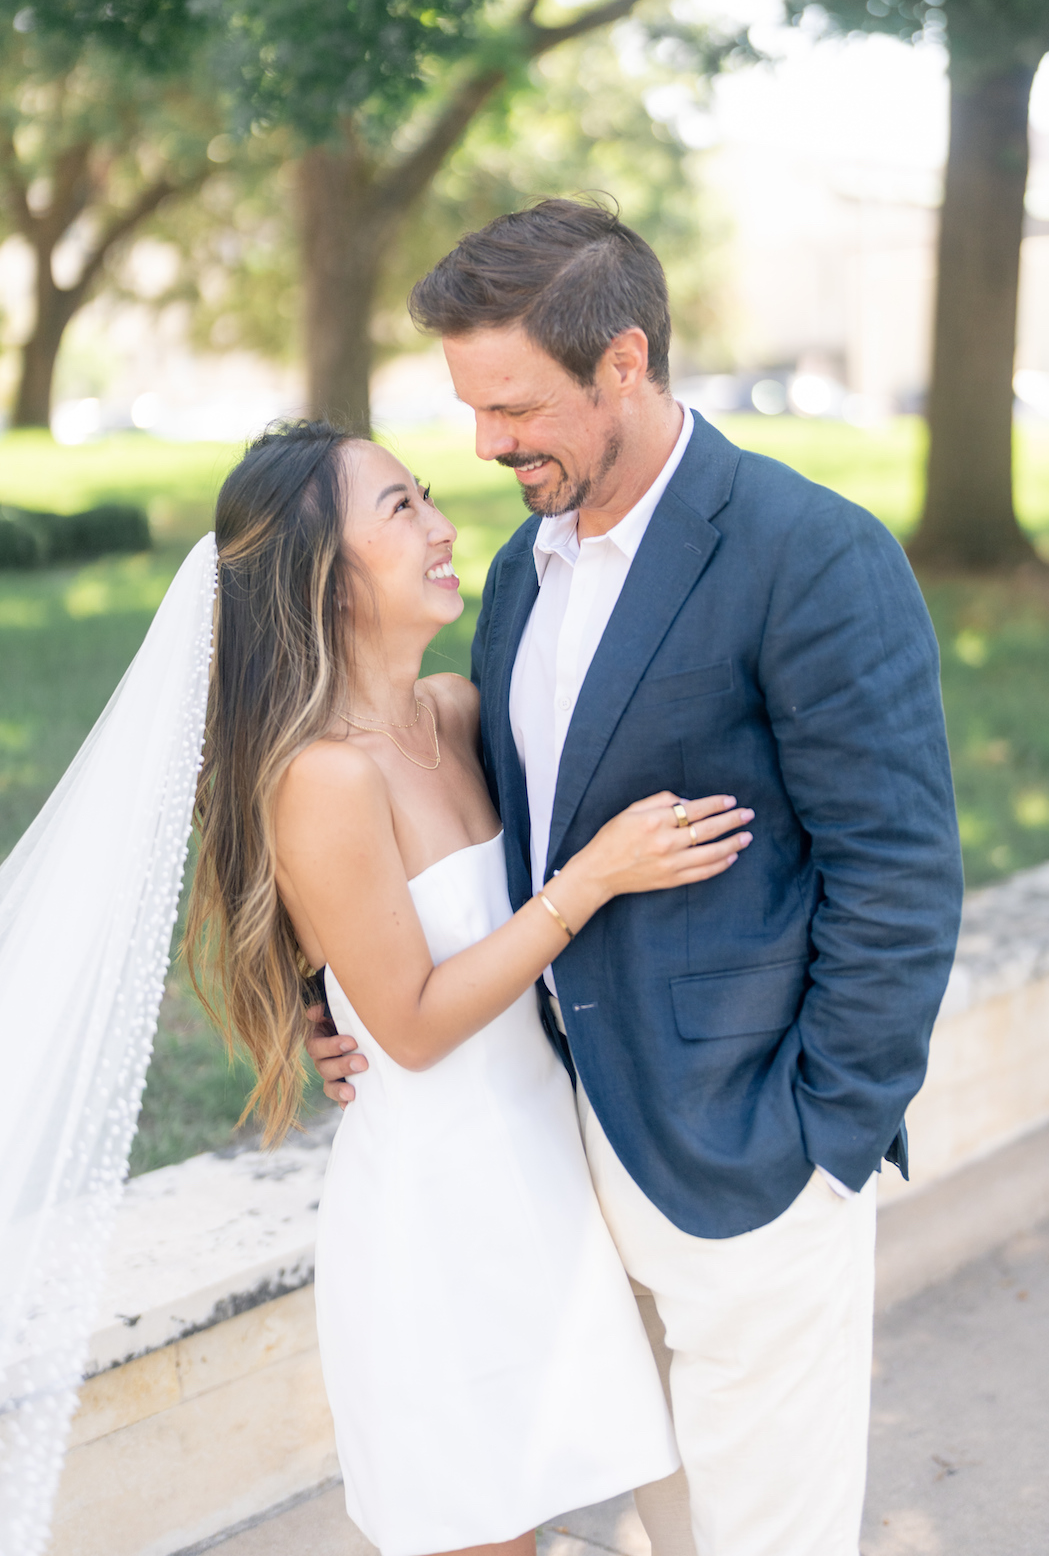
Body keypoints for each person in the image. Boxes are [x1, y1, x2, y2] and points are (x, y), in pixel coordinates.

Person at [308, 199, 965, 1556]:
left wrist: (821, 1145)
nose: (487, 445)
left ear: (623, 360)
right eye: (470, 409)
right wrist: (347, 1002)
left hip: (749, 1168)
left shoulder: (810, 553)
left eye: (515, 406)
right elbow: (459, 842)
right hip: (562, 1170)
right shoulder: (514, 571)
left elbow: (899, 871)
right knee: (671, 1535)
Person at [185, 419, 758, 1556]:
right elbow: (408, 1025)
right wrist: (593, 880)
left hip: (549, 1180)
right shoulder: (323, 780)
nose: (445, 525)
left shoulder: (456, 708)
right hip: (438, 1222)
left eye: (428, 495)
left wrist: (321, 993)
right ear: (321, 578)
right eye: (399, 509)